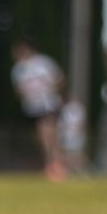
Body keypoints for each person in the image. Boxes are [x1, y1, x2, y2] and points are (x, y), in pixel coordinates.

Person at [11, 41, 68, 181]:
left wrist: (49, 89)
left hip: (49, 105)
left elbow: (59, 79)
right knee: (43, 136)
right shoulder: (17, 70)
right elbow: (18, 92)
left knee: (47, 131)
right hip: (32, 108)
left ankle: (55, 165)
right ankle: (52, 162)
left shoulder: (43, 63)